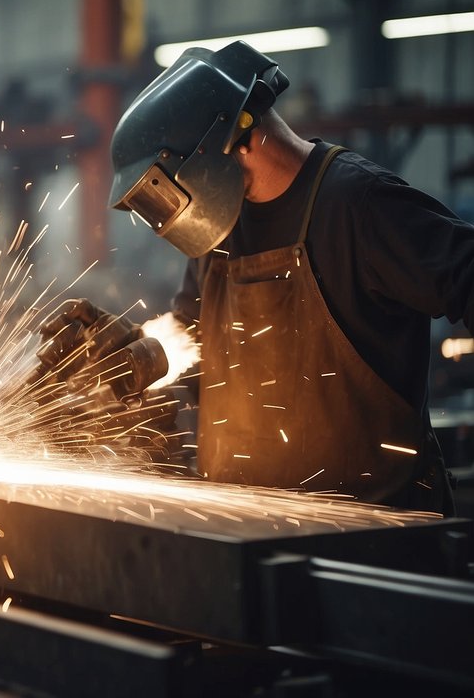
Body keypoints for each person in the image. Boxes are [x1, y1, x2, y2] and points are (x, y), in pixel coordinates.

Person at [93, 40, 474, 515]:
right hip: (243, 531)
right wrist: (137, 355)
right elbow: (197, 338)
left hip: (370, 541)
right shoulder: (221, 228)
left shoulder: (360, 206)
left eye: (166, 188)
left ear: (229, 142)